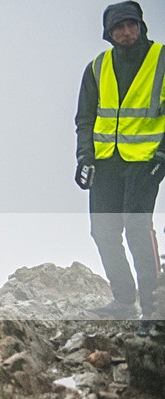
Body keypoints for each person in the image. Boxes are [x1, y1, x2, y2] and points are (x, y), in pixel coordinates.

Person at [75, 1, 165, 337]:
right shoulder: (97, 67)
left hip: (146, 163)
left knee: (138, 231)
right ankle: (124, 299)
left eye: (131, 25)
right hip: (106, 163)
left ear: (141, 26)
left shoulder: (162, 60)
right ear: (108, 33)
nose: (125, 33)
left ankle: (153, 309)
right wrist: (84, 156)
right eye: (118, 27)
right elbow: (85, 118)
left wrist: (163, 158)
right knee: (104, 232)